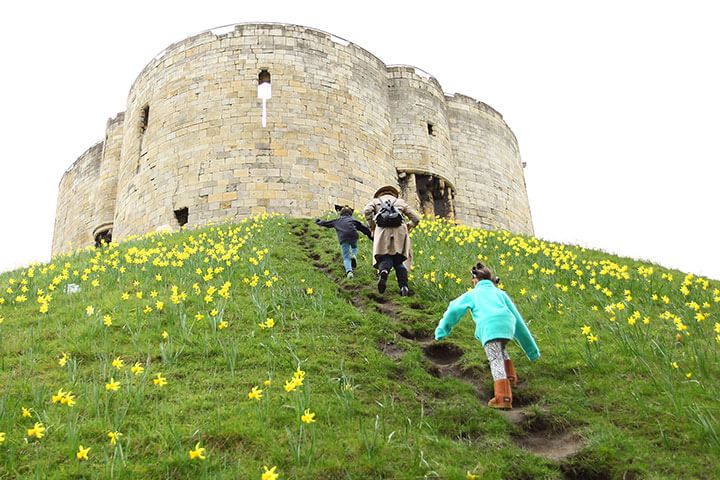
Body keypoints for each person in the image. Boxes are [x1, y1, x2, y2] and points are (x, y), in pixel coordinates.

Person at [434, 262, 540, 410]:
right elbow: (519, 321)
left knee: (495, 358)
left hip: (490, 327)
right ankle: (510, 378)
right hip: (507, 325)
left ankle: (503, 397)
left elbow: (453, 309)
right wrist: (532, 351)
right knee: (501, 350)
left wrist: (442, 330)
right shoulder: (500, 293)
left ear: (475, 281)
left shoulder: (473, 294)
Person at [363, 185, 421, 296]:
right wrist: (408, 226)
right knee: (398, 260)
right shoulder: (400, 202)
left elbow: (367, 210)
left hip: (382, 232)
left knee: (385, 256)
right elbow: (416, 218)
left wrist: (372, 226)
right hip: (399, 232)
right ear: (393, 194)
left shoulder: (376, 201)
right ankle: (404, 287)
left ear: (380, 194)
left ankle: (384, 272)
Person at [315, 205, 372, 278]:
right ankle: (354, 255)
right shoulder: (353, 220)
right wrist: (371, 237)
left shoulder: (337, 221)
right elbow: (364, 229)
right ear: (350, 214)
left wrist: (318, 222)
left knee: (346, 257)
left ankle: (349, 272)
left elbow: (326, 223)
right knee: (354, 247)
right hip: (353, 235)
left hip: (343, 237)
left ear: (341, 214)